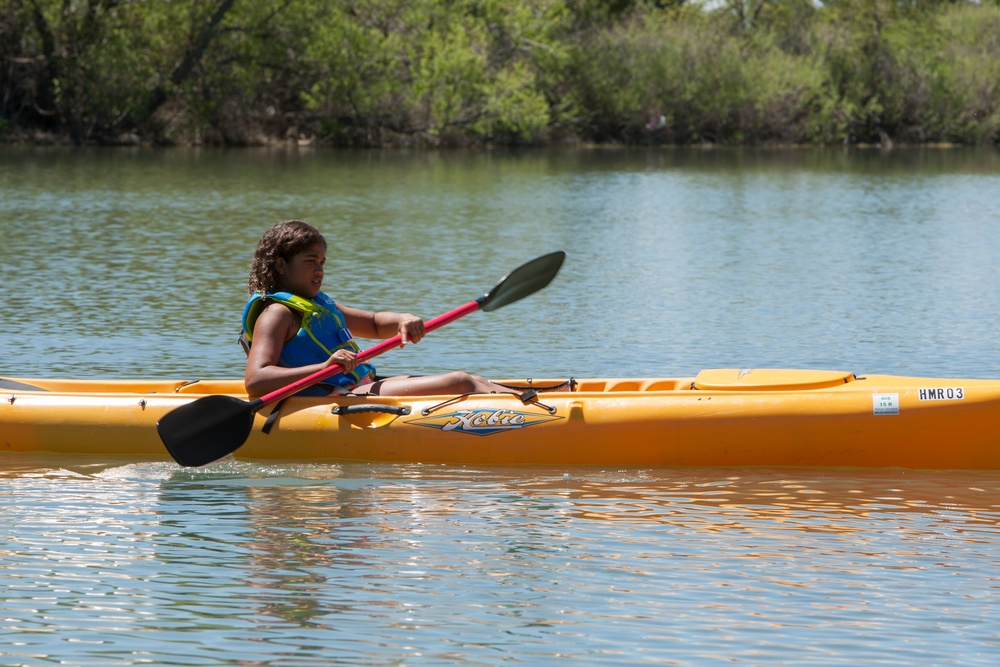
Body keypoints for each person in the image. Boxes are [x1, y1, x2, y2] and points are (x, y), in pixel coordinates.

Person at [242, 219, 512, 398]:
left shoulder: (319, 306)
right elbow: (256, 380)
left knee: (474, 379)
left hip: (356, 388)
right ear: (280, 265)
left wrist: (401, 320)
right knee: (461, 382)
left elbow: (372, 323)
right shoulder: (276, 314)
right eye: (310, 261)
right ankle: (537, 414)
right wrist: (325, 366)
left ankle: (533, 400)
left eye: (322, 262)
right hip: (334, 398)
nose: (319, 270)